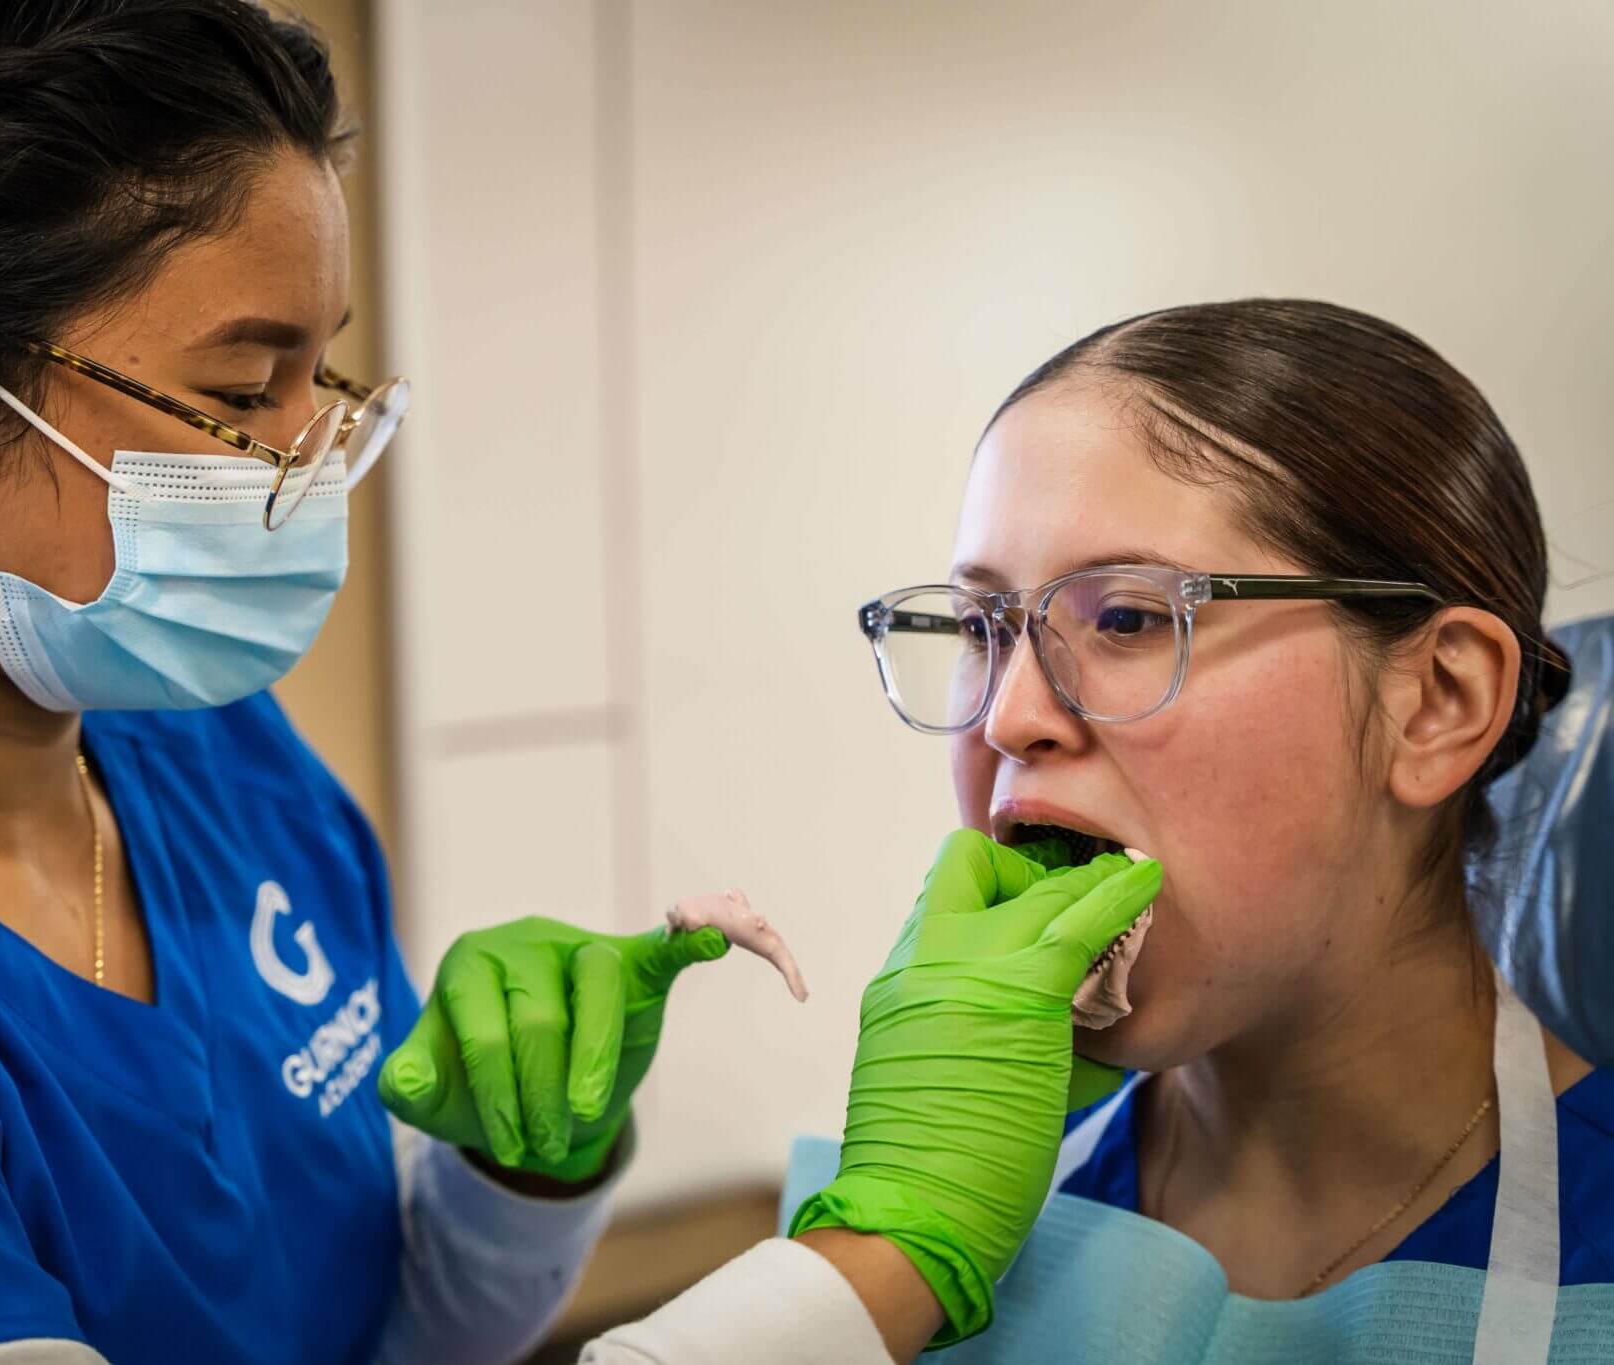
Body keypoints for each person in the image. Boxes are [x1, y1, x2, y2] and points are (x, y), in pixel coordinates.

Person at [0, 4, 731, 1362]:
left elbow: (384, 1333)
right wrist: (860, 1273)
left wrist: (521, 1177)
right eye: (243, 389)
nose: (311, 458)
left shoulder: (209, 746)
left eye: (319, 370)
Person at [581, 300, 1610, 1363]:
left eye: (1125, 617)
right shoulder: (941, 1182)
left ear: (1438, 699)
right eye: (982, 629)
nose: (1007, 717)